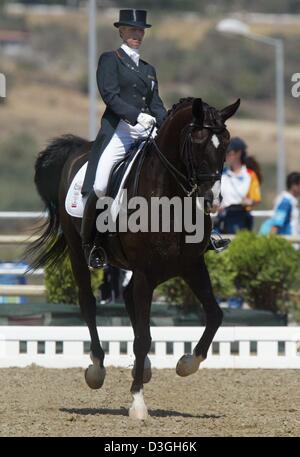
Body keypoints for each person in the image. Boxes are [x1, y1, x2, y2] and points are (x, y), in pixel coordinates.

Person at [80, 9, 167, 269]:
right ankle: (92, 244)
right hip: (120, 131)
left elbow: (157, 105)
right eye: (132, 30)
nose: (137, 34)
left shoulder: (148, 69)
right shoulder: (111, 59)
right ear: (121, 31)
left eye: (140, 30)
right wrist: (136, 116)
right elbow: (110, 95)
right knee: (100, 185)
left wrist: (166, 123)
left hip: (147, 132)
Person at [216, 137, 262, 234]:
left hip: (241, 221)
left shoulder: (250, 175)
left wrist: (249, 202)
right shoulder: (221, 174)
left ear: (238, 153)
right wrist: (216, 206)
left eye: (229, 153)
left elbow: (256, 199)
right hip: (223, 219)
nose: (226, 156)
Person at [260, 172, 300, 236]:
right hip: (287, 242)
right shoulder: (286, 202)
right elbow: (276, 224)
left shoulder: (290, 201)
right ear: (294, 185)